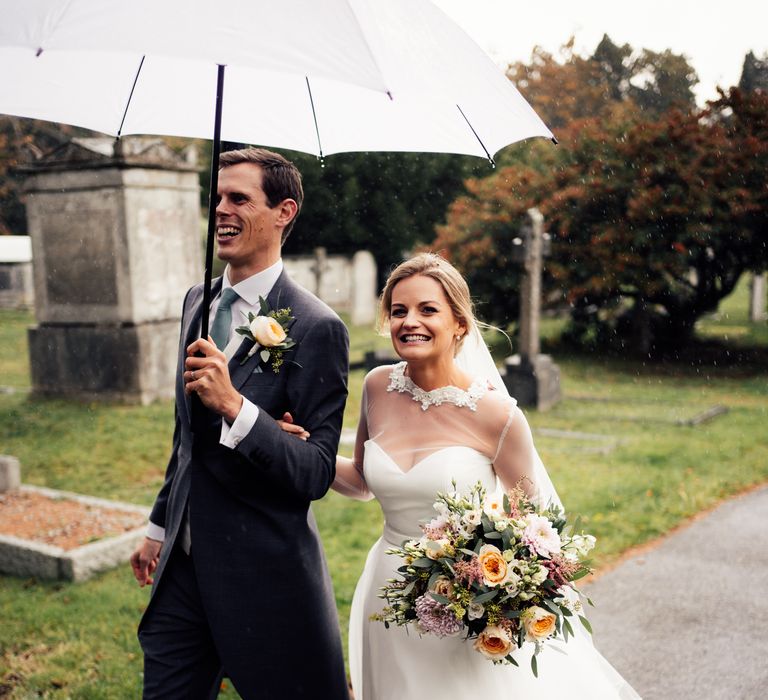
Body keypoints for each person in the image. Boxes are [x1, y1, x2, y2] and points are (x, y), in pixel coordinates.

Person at [282, 252, 640, 699]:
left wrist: (499, 593)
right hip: (386, 592)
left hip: (466, 602)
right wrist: (301, 448)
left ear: (460, 324)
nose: (409, 321)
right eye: (398, 311)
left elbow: (537, 529)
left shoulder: (496, 414)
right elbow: (362, 482)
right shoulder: (376, 386)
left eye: (427, 309)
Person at [129, 148, 350, 699]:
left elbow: (315, 472)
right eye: (217, 197)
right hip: (181, 571)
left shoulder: (318, 327)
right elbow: (187, 438)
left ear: (284, 211)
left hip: (265, 577)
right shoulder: (196, 302)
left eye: (239, 199)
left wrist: (239, 409)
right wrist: (159, 526)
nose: (221, 211)